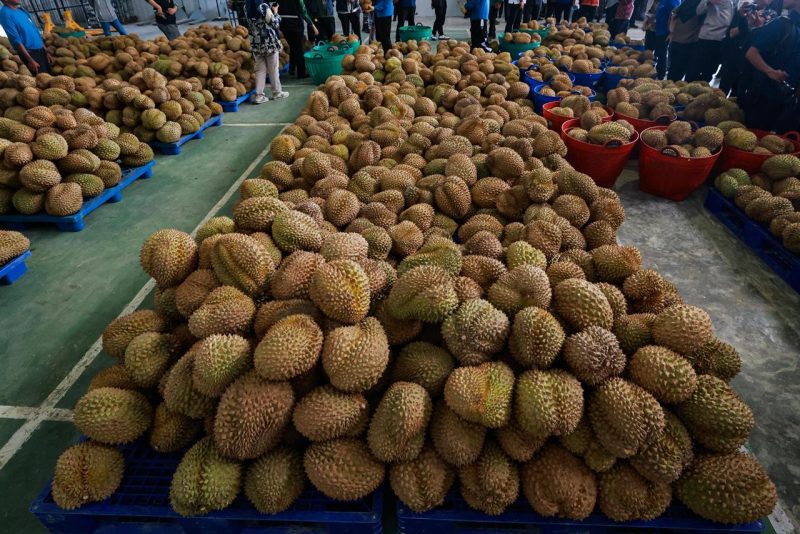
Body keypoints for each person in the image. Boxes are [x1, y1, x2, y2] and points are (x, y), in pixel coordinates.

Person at [740, 0, 800, 132]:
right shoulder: (781, 24)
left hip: (787, 101)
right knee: (753, 135)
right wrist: (770, 71)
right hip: (764, 96)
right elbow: (751, 53)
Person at [718, 0, 781, 94]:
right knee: (721, 90)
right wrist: (746, 23)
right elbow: (731, 33)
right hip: (733, 55)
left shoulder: (772, 15)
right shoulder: (746, 9)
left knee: (738, 93)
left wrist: (756, 27)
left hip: (750, 61)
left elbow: (763, 40)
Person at [245, 0, 288, 103]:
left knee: (260, 70)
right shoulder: (263, 6)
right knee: (273, 69)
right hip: (269, 43)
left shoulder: (246, 7)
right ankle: (277, 92)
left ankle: (259, 96)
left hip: (256, 43)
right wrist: (276, 12)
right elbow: (275, 23)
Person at [685, 0, 734, 82]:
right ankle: (687, 86)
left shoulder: (731, 3)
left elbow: (729, 20)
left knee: (710, 70)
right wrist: (707, 1)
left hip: (721, 40)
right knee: (695, 68)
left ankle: (704, 86)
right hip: (706, 37)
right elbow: (698, 11)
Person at [0, 0, 51, 73]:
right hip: (30, 53)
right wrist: (30, 60)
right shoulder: (5, 14)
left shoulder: (21, 10)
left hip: (41, 51)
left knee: (50, 74)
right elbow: (15, 40)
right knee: (43, 78)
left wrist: (46, 51)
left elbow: (35, 31)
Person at [280, 0, 317, 78]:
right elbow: (304, 13)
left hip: (284, 26)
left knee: (292, 47)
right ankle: (301, 73)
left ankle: (291, 70)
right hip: (296, 26)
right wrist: (312, 25)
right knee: (299, 49)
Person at [667, 0, 702, 80]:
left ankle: (668, 85)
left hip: (675, 42)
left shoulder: (681, 7)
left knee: (673, 69)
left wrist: (672, 32)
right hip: (688, 45)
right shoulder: (698, 12)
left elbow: (671, 19)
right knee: (679, 71)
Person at [649, 0, 677, 78]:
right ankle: (656, 71)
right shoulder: (663, 1)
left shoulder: (673, 2)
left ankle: (661, 74)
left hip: (665, 32)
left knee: (662, 54)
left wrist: (671, 32)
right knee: (658, 52)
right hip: (658, 29)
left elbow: (675, 16)